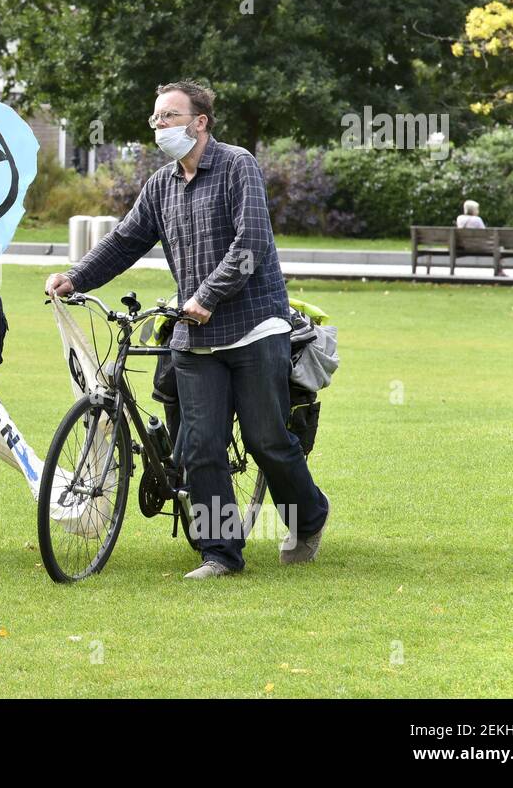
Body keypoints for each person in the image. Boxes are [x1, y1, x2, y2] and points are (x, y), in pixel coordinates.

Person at [45, 80, 330, 579]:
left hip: (255, 326)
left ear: (200, 122)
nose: (160, 126)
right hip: (194, 335)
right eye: (156, 118)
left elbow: (251, 245)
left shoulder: (237, 165)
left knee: (266, 439)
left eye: (170, 117)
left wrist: (206, 296)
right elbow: (125, 240)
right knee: (200, 448)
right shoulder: (161, 185)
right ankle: (220, 554)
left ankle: (309, 516)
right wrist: (76, 276)